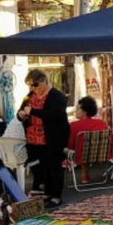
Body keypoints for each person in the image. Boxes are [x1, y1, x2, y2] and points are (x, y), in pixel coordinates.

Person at [17, 69, 70, 208]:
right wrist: (21, 114)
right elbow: (22, 109)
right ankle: (47, 192)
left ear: (44, 81)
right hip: (34, 138)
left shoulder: (56, 96)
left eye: (35, 85)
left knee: (54, 167)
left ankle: (56, 196)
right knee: (42, 167)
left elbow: (54, 114)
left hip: (52, 137)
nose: (32, 88)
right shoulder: (30, 95)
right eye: (30, 85)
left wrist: (33, 111)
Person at [67, 96, 110, 184]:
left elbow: (70, 144)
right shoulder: (101, 123)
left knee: (82, 149)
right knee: (87, 149)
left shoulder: (74, 125)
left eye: (78, 109)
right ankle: (85, 176)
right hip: (102, 154)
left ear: (85, 112)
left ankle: (84, 176)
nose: (76, 111)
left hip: (81, 155)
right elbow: (111, 139)